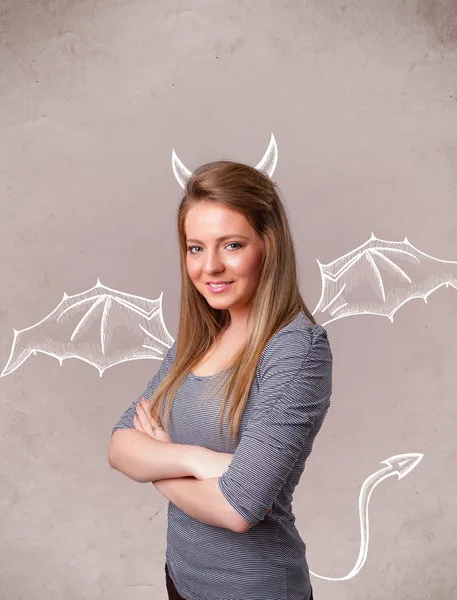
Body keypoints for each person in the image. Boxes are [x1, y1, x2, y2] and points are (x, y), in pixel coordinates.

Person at [108, 160, 333, 600]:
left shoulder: (296, 350)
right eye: (195, 248)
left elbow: (238, 507)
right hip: (183, 578)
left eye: (231, 245)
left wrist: (158, 468)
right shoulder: (197, 340)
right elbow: (120, 445)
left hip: (255, 589)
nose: (209, 266)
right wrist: (194, 460)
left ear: (267, 246)